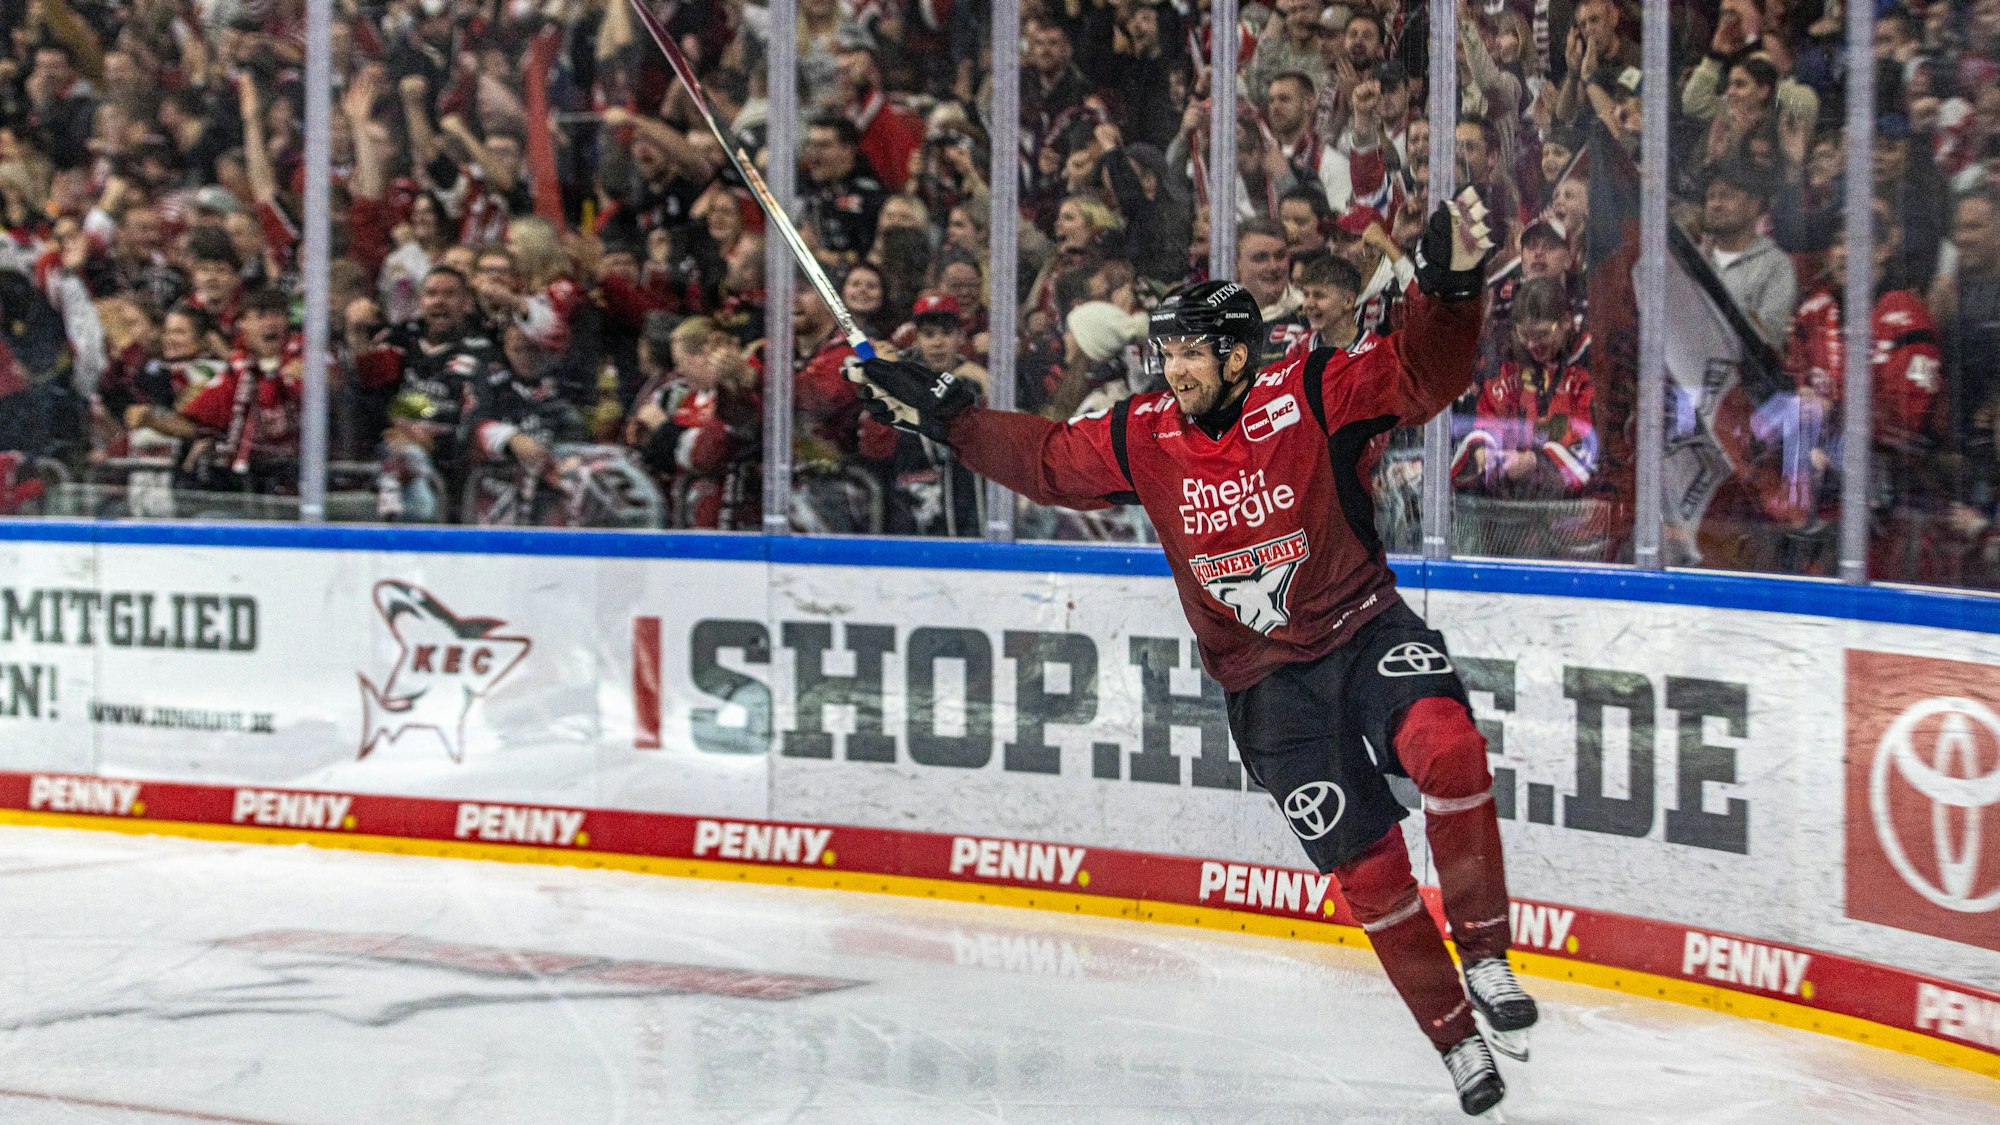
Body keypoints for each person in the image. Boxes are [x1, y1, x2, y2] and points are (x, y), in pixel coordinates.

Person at [844, 190, 1535, 1118]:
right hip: (1266, 691)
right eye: (1163, 349)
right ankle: (1455, 1039)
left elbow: (1420, 371)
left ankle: (1486, 952)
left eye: (1187, 350)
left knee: (1448, 748)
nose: (1172, 368)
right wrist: (955, 422)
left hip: (1363, 631)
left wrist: (1450, 293)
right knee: (1368, 871)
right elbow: (1049, 459)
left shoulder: (1315, 391)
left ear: (1238, 352)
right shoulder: (1145, 432)